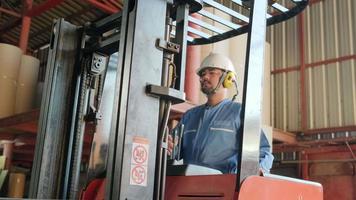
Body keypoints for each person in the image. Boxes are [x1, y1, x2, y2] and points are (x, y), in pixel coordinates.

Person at [168, 53, 274, 174]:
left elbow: (263, 151)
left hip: (225, 186)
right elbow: (173, 150)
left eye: (211, 72)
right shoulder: (190, 116)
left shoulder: (240, 113)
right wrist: (168, 145)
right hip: (189, 183)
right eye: (202, 74)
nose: (205, 77)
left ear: (228, 78)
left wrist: (257, 170)